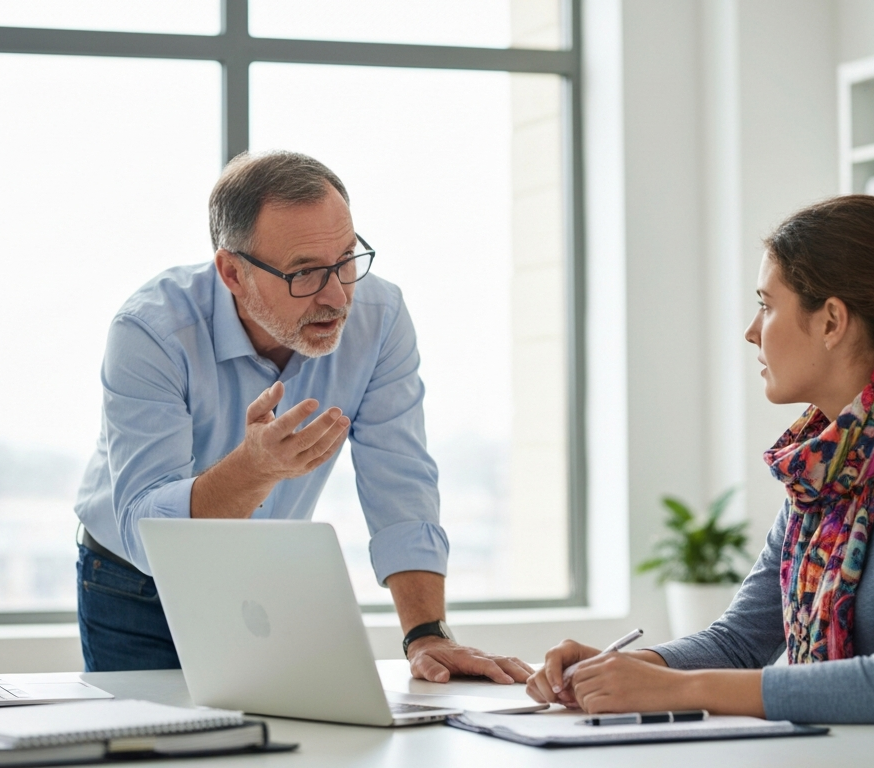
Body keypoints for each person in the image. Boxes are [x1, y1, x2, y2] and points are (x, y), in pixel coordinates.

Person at [527, 195, 874, 747]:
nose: (751, 331)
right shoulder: (826, 467)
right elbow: (740, 641)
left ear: (832, 320)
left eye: (766, 305)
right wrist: (621, 668)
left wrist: (673, 688)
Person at [74, 150, 532, 686]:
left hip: (262, 569)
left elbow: (400, 481)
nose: (337, 296)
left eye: (345, 260)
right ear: (232, 272)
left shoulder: (379, 318)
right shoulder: (151, 330)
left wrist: (426, 632)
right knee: (148, 754)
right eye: (306, 273)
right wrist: (253, 470)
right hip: (135, 583)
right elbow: (141, 528)